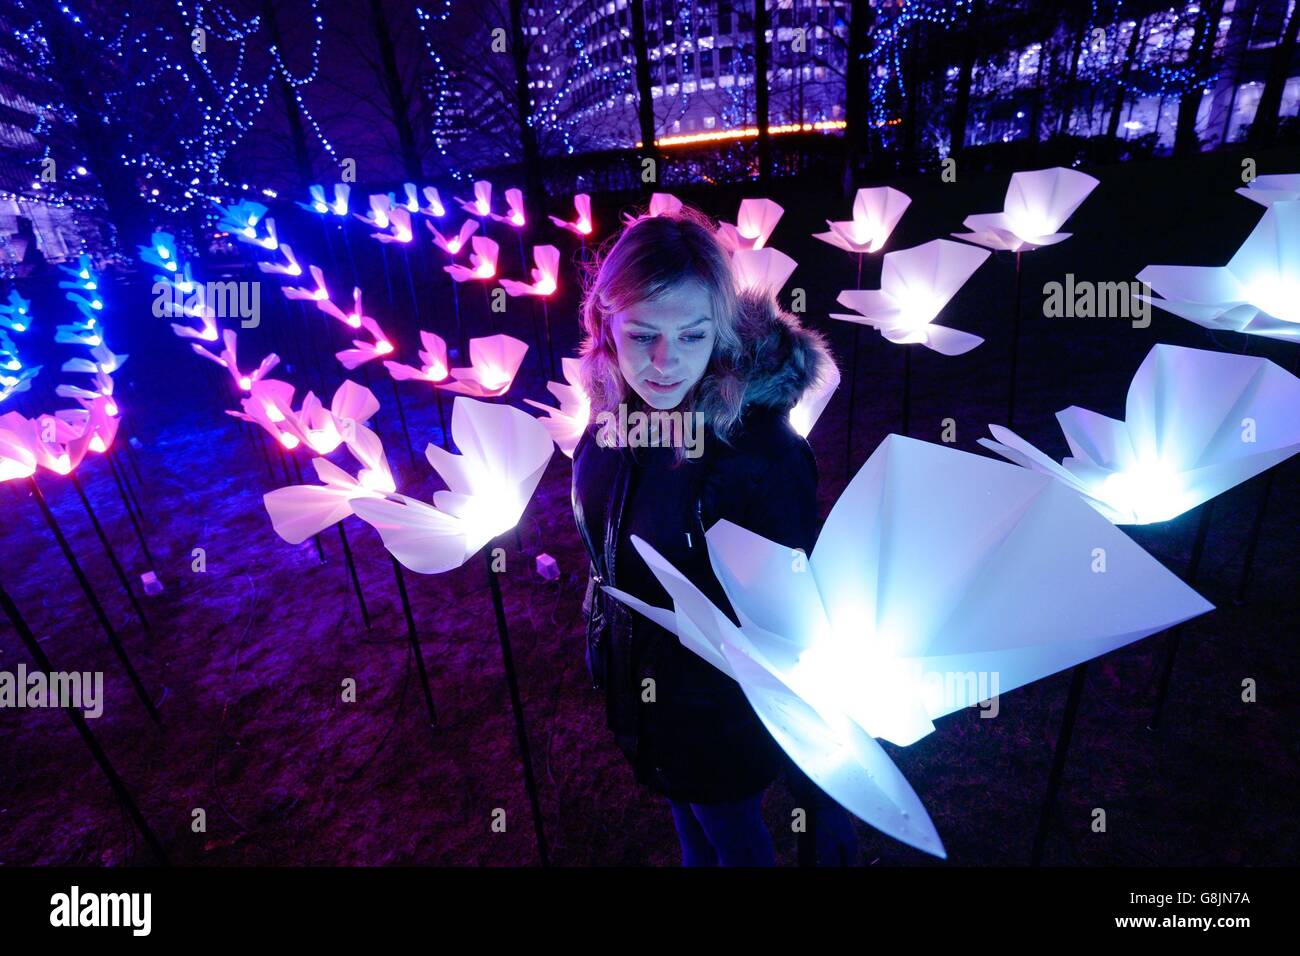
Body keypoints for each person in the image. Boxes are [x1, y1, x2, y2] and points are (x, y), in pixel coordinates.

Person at [571, 204, 857, 866]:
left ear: (722, 334)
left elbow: (796, 620)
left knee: (729, 837)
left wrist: (823, 788)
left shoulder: (758, 455)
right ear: (604, 326)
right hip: (645, 698)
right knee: (692, 827)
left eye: (693, 337)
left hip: (719, 714)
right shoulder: (612, 421)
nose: (666, 364)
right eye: (642, 336)